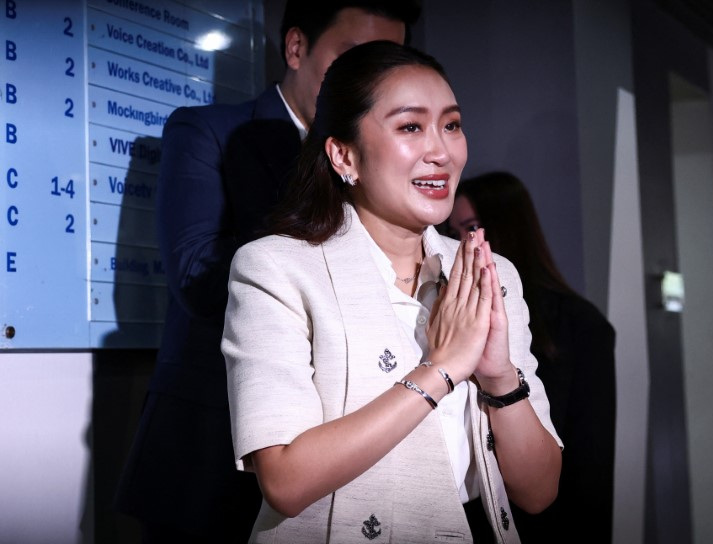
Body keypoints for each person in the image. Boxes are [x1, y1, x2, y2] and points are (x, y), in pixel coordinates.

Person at [222, 41, 562, 544]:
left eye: (451, 125)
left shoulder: (491, 273)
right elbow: (285, 482)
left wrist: (498, 376)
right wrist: (441, 370)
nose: (441, 152)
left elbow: (539, 492)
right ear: (344, 154)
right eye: (410, 127)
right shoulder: (275, 268)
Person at [114, 3, 420, 543]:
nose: (367, 81)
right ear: (297, 48)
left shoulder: (392, 162)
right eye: (352, 59)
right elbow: (195, 275)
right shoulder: (207, 130)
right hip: (213, 447)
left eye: (383, 64)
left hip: (347, 452)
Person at [448, 171, 616, 543]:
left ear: (505, 225)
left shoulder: (580, 325)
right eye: (454, 229)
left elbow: (592, 466)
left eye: (472, 227)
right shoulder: (457, 313)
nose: (461, 243)